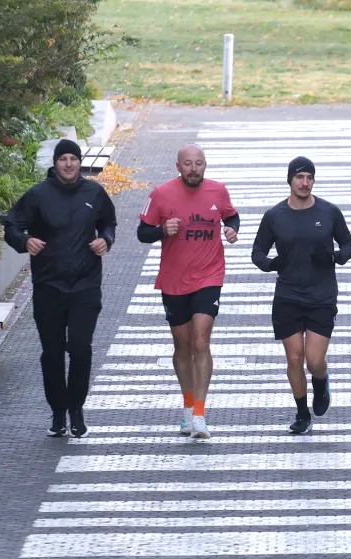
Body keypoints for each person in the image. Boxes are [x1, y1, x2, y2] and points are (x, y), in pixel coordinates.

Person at [3, 138, 117, 439]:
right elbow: (12, 226)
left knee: (80, 348)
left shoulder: (94, 192)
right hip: (49, 285)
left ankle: (76, 408)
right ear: (55, 163)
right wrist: (24, 241)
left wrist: (106, 239)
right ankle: (57, 412)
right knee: (52, 353)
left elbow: (109, 222)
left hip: (85, 285)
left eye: (73, 158)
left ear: (80, 162)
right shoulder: (38, 195)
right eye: (63, 158)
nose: (68, 164)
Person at [136, 144, 240, 439]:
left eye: (199, 163)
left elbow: (231, 216)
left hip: (209, 275)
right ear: (178, 166)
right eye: (188, 164)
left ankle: (200, 414)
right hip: (173, 280)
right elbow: (142, 233)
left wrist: (232, 229)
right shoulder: (160, 194)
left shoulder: (218, 191)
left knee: (200, 341)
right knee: (182, 345)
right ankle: (186, 406)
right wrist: (161, 230)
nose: (194, 169)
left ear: (205, 166)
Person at [251, 157, 351, 434]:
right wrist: (271, 264)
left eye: (309, 177)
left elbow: (349, 245)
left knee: (313, 360)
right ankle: (302, 414)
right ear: (290, 180)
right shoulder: (274, 216)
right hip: (288, 296)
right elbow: (257, 253)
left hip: (322, 296)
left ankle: (321, 384)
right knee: (294, 359)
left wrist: (335, 257)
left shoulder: (329, 212)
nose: (305, 183)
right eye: (299, 177)